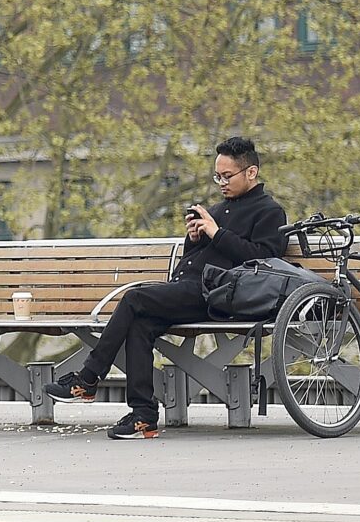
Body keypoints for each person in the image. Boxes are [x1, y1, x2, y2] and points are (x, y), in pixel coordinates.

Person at [53, 136, 289, 439]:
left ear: (251, 173)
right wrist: (194, 240)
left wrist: (216, 234)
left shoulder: (270, 211)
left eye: (227, 176)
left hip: (222, 295)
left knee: (134, 298)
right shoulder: (217, 209)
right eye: (218, 176)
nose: (221, 182)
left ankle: (87, 378)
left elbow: (264, 261)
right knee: (140, 323)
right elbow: (197, 259)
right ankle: (143, 416)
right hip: (189, 288)